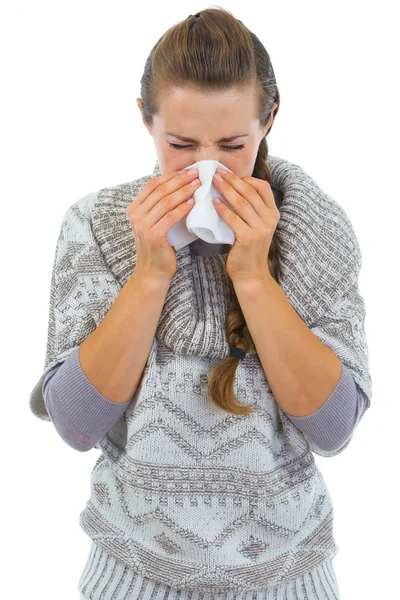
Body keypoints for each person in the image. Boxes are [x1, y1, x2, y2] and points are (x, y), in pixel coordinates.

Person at [29, 8, 372, 600]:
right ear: (145, 120)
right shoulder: (96, 225)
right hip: (130, 581)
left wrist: (255, 279)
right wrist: (150, 272)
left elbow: (335, 427)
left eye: (232, 145)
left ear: (269, 120)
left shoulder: (317, 231)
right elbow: (76, 423)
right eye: (181, 145)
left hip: (290, 583)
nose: (206, 169)